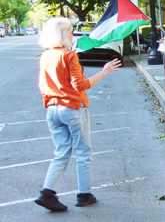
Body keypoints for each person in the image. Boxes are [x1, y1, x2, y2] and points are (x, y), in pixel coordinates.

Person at [35, 17, 121, 211]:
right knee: (83, 151)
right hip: (72, 108)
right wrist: (104, 72)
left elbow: (43, 85)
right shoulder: (68, 56)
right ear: (63, 34)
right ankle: (84, 194)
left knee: (61, 152)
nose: (73, 34)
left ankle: (47, 193)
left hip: (52, 108)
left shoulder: (46, 56)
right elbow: (80, 85)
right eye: (70, 31)